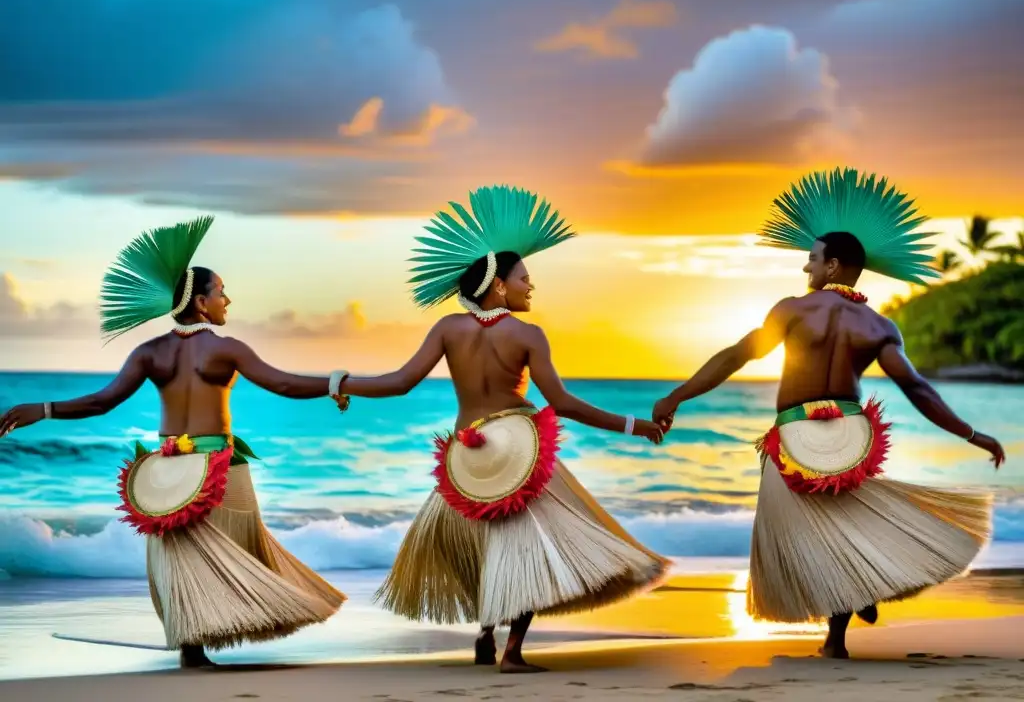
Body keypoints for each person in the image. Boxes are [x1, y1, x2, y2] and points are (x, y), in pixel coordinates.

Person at [652, 168, 1004, 659]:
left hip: (795, 433)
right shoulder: (880, 325)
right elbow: (916, 389)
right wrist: (971, 433)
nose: (805, 269)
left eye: (812, 260)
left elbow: (737, 356)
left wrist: (676, 397)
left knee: (803, 531)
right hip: (849, 435)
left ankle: (851, 599)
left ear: (834, 266)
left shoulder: (793, 310)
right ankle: (838, 632)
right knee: (840, 524)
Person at [325, 185, 671, 673]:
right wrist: (634, 425)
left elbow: (400, 383)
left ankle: (485, 633)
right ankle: (511, 652)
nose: (533, 287)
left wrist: (344, 383)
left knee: (482, 545)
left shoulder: (447, 328)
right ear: (500, 287)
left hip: (465, 457)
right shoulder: (528, 335)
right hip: (519, 453)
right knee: (526, 550)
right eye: (526, 279)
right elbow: (563, 403)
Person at [0, 216, 347, 668]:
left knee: (184, 558)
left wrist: (44, 410)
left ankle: (192, 647)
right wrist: (337, 383)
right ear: (201, 303)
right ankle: (212, 636)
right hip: (219, 467)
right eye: (221, 291)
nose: (227, 300)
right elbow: (282, 384)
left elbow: (101, 402)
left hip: (167, 470)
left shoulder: (149, 352)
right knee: (239, 550)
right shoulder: (227, 349)